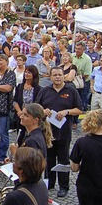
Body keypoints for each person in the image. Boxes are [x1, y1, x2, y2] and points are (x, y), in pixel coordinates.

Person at [34, 66, 83, 197]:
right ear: (50, 77)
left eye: (60, 75)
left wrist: (67, 112)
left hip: (64, 131)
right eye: (55, 75)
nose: (57, 77)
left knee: (63, 159)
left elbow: (79, 109)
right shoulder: (45, 91)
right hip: (47, 131)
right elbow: (36, 107)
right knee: (48, 158)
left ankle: (63, 186)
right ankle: (49, 183)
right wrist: (43, 111)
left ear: (63, 76)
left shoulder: (71, 91)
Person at [12, 65, 41, 141]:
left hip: (31, 116)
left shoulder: (38, 89)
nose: (26, 74)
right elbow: (15, 101)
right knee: (20, 137)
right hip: (21, 115)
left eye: (29, 73)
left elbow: (37, 103)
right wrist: (19, 111)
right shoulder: (20, 86)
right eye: (26, 72)